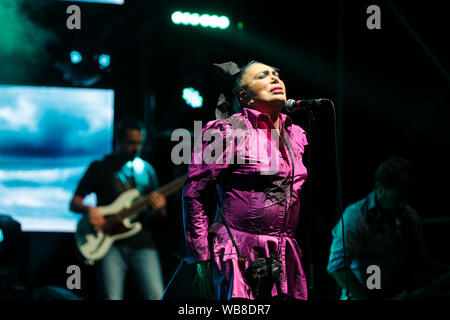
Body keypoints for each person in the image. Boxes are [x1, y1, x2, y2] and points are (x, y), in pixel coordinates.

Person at [180, 60, 309, 300]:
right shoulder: (226, 130)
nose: (274, 78)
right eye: (263, 76)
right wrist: (201, 255)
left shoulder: (296, 134)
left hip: (282, 251)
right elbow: (194, 192)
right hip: (237, 250)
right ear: (245, 96)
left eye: (276, 74)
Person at [327, 156, 450, 300]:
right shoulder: (355, 217)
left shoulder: (410, 217)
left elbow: (420, 261)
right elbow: (337, 267)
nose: (403, 204)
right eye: (398, 196)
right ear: (379, 188)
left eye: (407, 196)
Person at [70, 118, 167, 300]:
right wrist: (90, 210)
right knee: (111, 297)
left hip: (142, 242)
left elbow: (161, 215)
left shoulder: (146, 171)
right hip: (109, 244)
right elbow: (74, 203)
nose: (136, 148)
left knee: (156, 294)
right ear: (119, 140)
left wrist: (160, 208)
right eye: (131, 143)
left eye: (139, 143)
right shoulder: (100, 167)